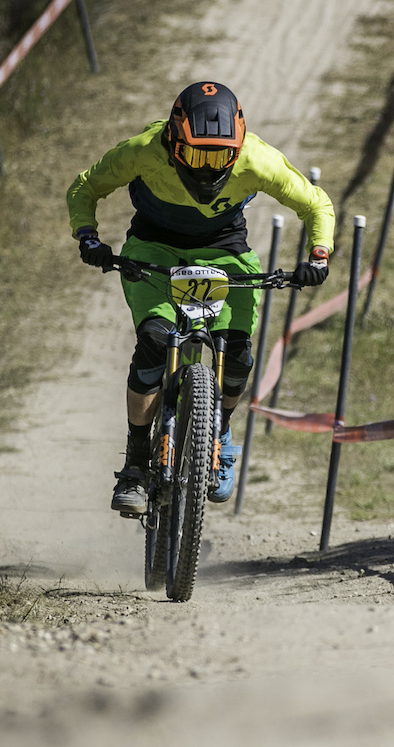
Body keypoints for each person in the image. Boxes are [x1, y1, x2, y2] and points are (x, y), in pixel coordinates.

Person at [66, 81, 334, 516]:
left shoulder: (257, 158)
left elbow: (316, 205)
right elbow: (85, 187)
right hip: (154, 248)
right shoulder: (144, 149)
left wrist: (319, 254)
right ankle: (135, 462)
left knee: (238, 353)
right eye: (196, 156)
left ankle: (219, 431)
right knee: (154, 340)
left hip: (224, 251)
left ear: (238, 148)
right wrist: (88, 235)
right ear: (173, 142)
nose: (207, 170)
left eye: (219, 158)